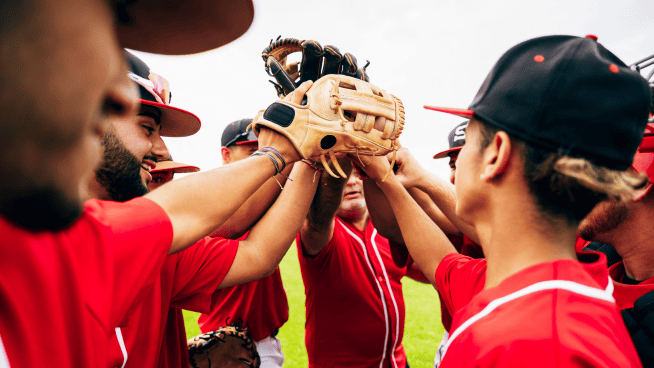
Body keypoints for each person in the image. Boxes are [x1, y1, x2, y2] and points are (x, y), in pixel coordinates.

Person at [357, 35, 650, 367]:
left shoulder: (532, 343)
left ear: (496, 154)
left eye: (466, 142)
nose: (455, 167)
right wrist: (383, 176)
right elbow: (443, 264)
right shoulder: (547, 288)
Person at [95, 54, 318, 368]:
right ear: (86, 117)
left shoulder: (157, 250)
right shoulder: (34, 241)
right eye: (147, 128)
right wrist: (280, 152)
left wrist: (311, 154)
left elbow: (259, 255)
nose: (158, 151)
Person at [297, 159, 428, 368]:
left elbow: (430, 270)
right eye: (342, 175)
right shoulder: (321, 233)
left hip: (397, 362)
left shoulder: (387, 227)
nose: (350, 182)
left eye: (357, 173)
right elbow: (317, 221)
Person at [198, 118, 289, 367]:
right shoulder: (214, 197)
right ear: (226, 154)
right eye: (254, 152)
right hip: (220, 343)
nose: (264, 159)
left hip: (266, 340)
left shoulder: (269, 192)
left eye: (267, 151)